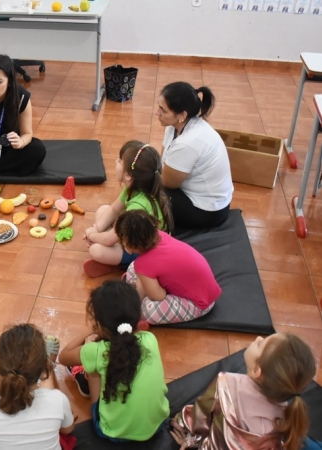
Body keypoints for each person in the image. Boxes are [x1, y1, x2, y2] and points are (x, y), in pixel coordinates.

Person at [59, 280, 169, 442]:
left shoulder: (97, 351)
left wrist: (89, 332)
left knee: (93, 365)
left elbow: (63, 356)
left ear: (101, 325)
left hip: (113, 432)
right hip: (157, 424)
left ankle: (84, 378)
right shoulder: (150, 339)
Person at [170, 333, 318, 450]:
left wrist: (183, 425)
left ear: (256, 370)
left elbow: (201, 414)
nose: (258, 337)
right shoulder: (286, 415)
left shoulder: (227, 384)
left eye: (260, 344)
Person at [0, 324, 76, 450]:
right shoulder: (59, 399)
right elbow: (67, 429)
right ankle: (49, 366)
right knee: (50, 402)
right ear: (42, 369)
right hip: (52, 403)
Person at [83, 141, 173, 278]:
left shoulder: (138, 206)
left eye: (119, 161)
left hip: (144, 252)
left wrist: (92, 235)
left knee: (96, 250)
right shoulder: (134, 188)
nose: (115, 162)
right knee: (103, 209)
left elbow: (108, 240)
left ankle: (124, 266)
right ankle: (113, 259)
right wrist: (97, 228)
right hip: (134, 237)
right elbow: (113, 210)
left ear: (128, 175)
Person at [115, 210, 221, 325]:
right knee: (134, 268)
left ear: (128, 246)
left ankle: (136, 315)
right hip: (206, 291)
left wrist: (146, 287)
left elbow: (159, 296)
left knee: (148, 310)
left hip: (200, 304)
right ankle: (138, 288)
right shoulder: (161, 235)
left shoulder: (144, 264)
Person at [156, 81, 233, 230]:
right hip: (196, 197)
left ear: (182, 115)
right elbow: (161, 164)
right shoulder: (175, 127)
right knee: (145, 183)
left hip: (209, 212)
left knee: (148, 188)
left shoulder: (188, 143)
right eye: (159, 107)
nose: (157, 114)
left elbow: (167, 182)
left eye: (163, 111)